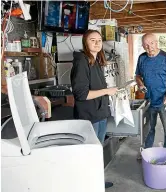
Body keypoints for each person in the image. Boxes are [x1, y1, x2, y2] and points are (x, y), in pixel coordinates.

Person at [70, 29, 118, 189]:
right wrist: (106, 91)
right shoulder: (81, 61)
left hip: (100, 113)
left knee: (97, 151)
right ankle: (88, 184)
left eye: (99, 40)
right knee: (89, 153)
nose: (97, 43)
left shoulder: (95, 60)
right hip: (89, 116)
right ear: (85, 42)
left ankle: (96, 181)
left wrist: (108, 92)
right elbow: (81, 94)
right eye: (93, 40)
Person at [135, 33, 166, 153]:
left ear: (156, 42)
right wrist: (140, 84)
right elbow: (138, 76)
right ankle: (146, 152)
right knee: (148, 129)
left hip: (165, 101)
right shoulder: (142, 58)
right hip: (149, 101)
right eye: (146, 44)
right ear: (143, 46)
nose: (149, 47)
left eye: (151, 43)